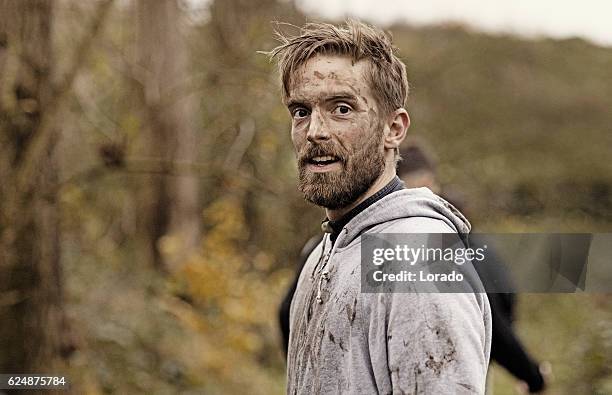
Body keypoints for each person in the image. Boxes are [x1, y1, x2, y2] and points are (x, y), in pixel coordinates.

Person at [269, 20, 491, 394]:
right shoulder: (321, 255)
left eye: (341, 108)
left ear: (394, 128)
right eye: (301, 111)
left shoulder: (416, 264)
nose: (315, 131)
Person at [279, 139, 548, 393]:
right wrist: (533, 376)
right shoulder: (427, 246)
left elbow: (286, 313)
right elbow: (498, 324)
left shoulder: (327, 243)